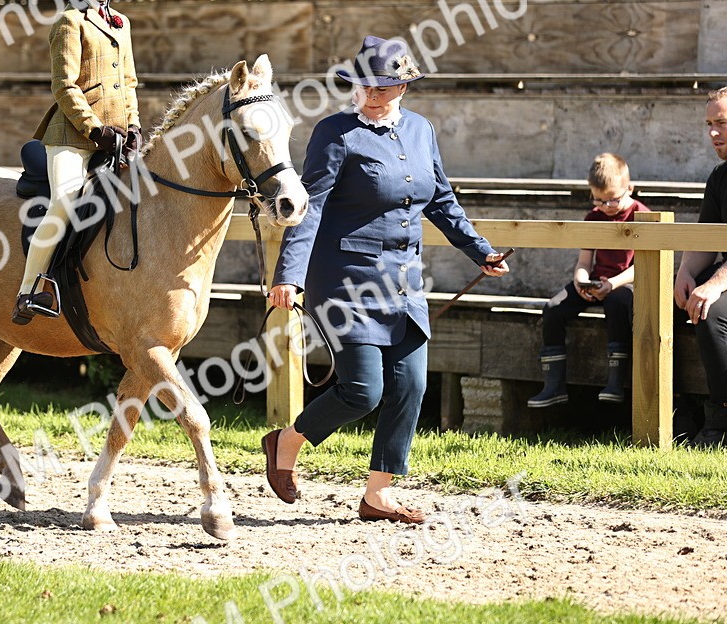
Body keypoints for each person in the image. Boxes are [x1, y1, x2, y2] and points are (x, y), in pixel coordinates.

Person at [263, 35, 509, 524]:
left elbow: (441, 200)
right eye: (366, 86)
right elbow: (308, 211)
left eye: (386, 87)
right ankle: (287, 441)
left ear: (404, 87)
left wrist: (480, 250)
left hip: (404, 284)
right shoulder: (335, 133)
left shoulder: (421, 131)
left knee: (412, 385)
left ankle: (379, 495)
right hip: (346, 282)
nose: (374, 95)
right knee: (363, 391)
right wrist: (288, 275)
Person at [12, 0, 142, 325]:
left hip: (116, 138)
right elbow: (64, 87)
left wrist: (134, 126)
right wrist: (95, 130)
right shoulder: (70, 23)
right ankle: (29, 288)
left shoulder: (121, 25)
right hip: (71, 138)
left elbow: (130, 83)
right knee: (66, 202)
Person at [528, 154, 651, 408]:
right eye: (598, 199)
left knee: (617, 302)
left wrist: (613, 284)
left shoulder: (641, 215)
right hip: (597, 282)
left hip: (627, 283)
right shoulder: (594, 216)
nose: (606, 206)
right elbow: (585, 262)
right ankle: (554, 385)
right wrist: (580, 281)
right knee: (553, 308)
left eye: (612, 199)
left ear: (630, 188)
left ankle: (616, 381)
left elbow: (642, 267)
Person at [672, 88, 727, 447]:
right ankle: (678, 414)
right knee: (656, 309)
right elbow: (706, 239)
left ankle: (721, 421)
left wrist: (716, 284)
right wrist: (685, 272)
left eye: (721, 122)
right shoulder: (720, 176)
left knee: (710, 311)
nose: (712, 132)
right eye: (708, 123)